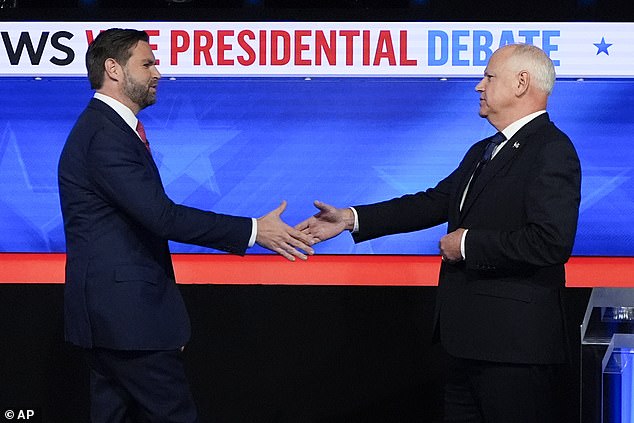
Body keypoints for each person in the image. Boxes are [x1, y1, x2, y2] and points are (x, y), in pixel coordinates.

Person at [297, 43, 581, 423]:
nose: (479, 86)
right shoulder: (483, 149)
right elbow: (433, 202)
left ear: (521, 83)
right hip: (466, 345)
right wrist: (351, 219)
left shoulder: (551, 149)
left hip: (515, 351)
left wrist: (466, 243)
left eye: (488, 76)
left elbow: (551, 242)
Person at [57, 28, 314, 423]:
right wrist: (253, 230)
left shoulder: (104, 129)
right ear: (113, 69)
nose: (158, 72)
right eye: (147, 64)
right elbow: (161, 216)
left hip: (115, 321)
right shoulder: (104, 136)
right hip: (128, 323)